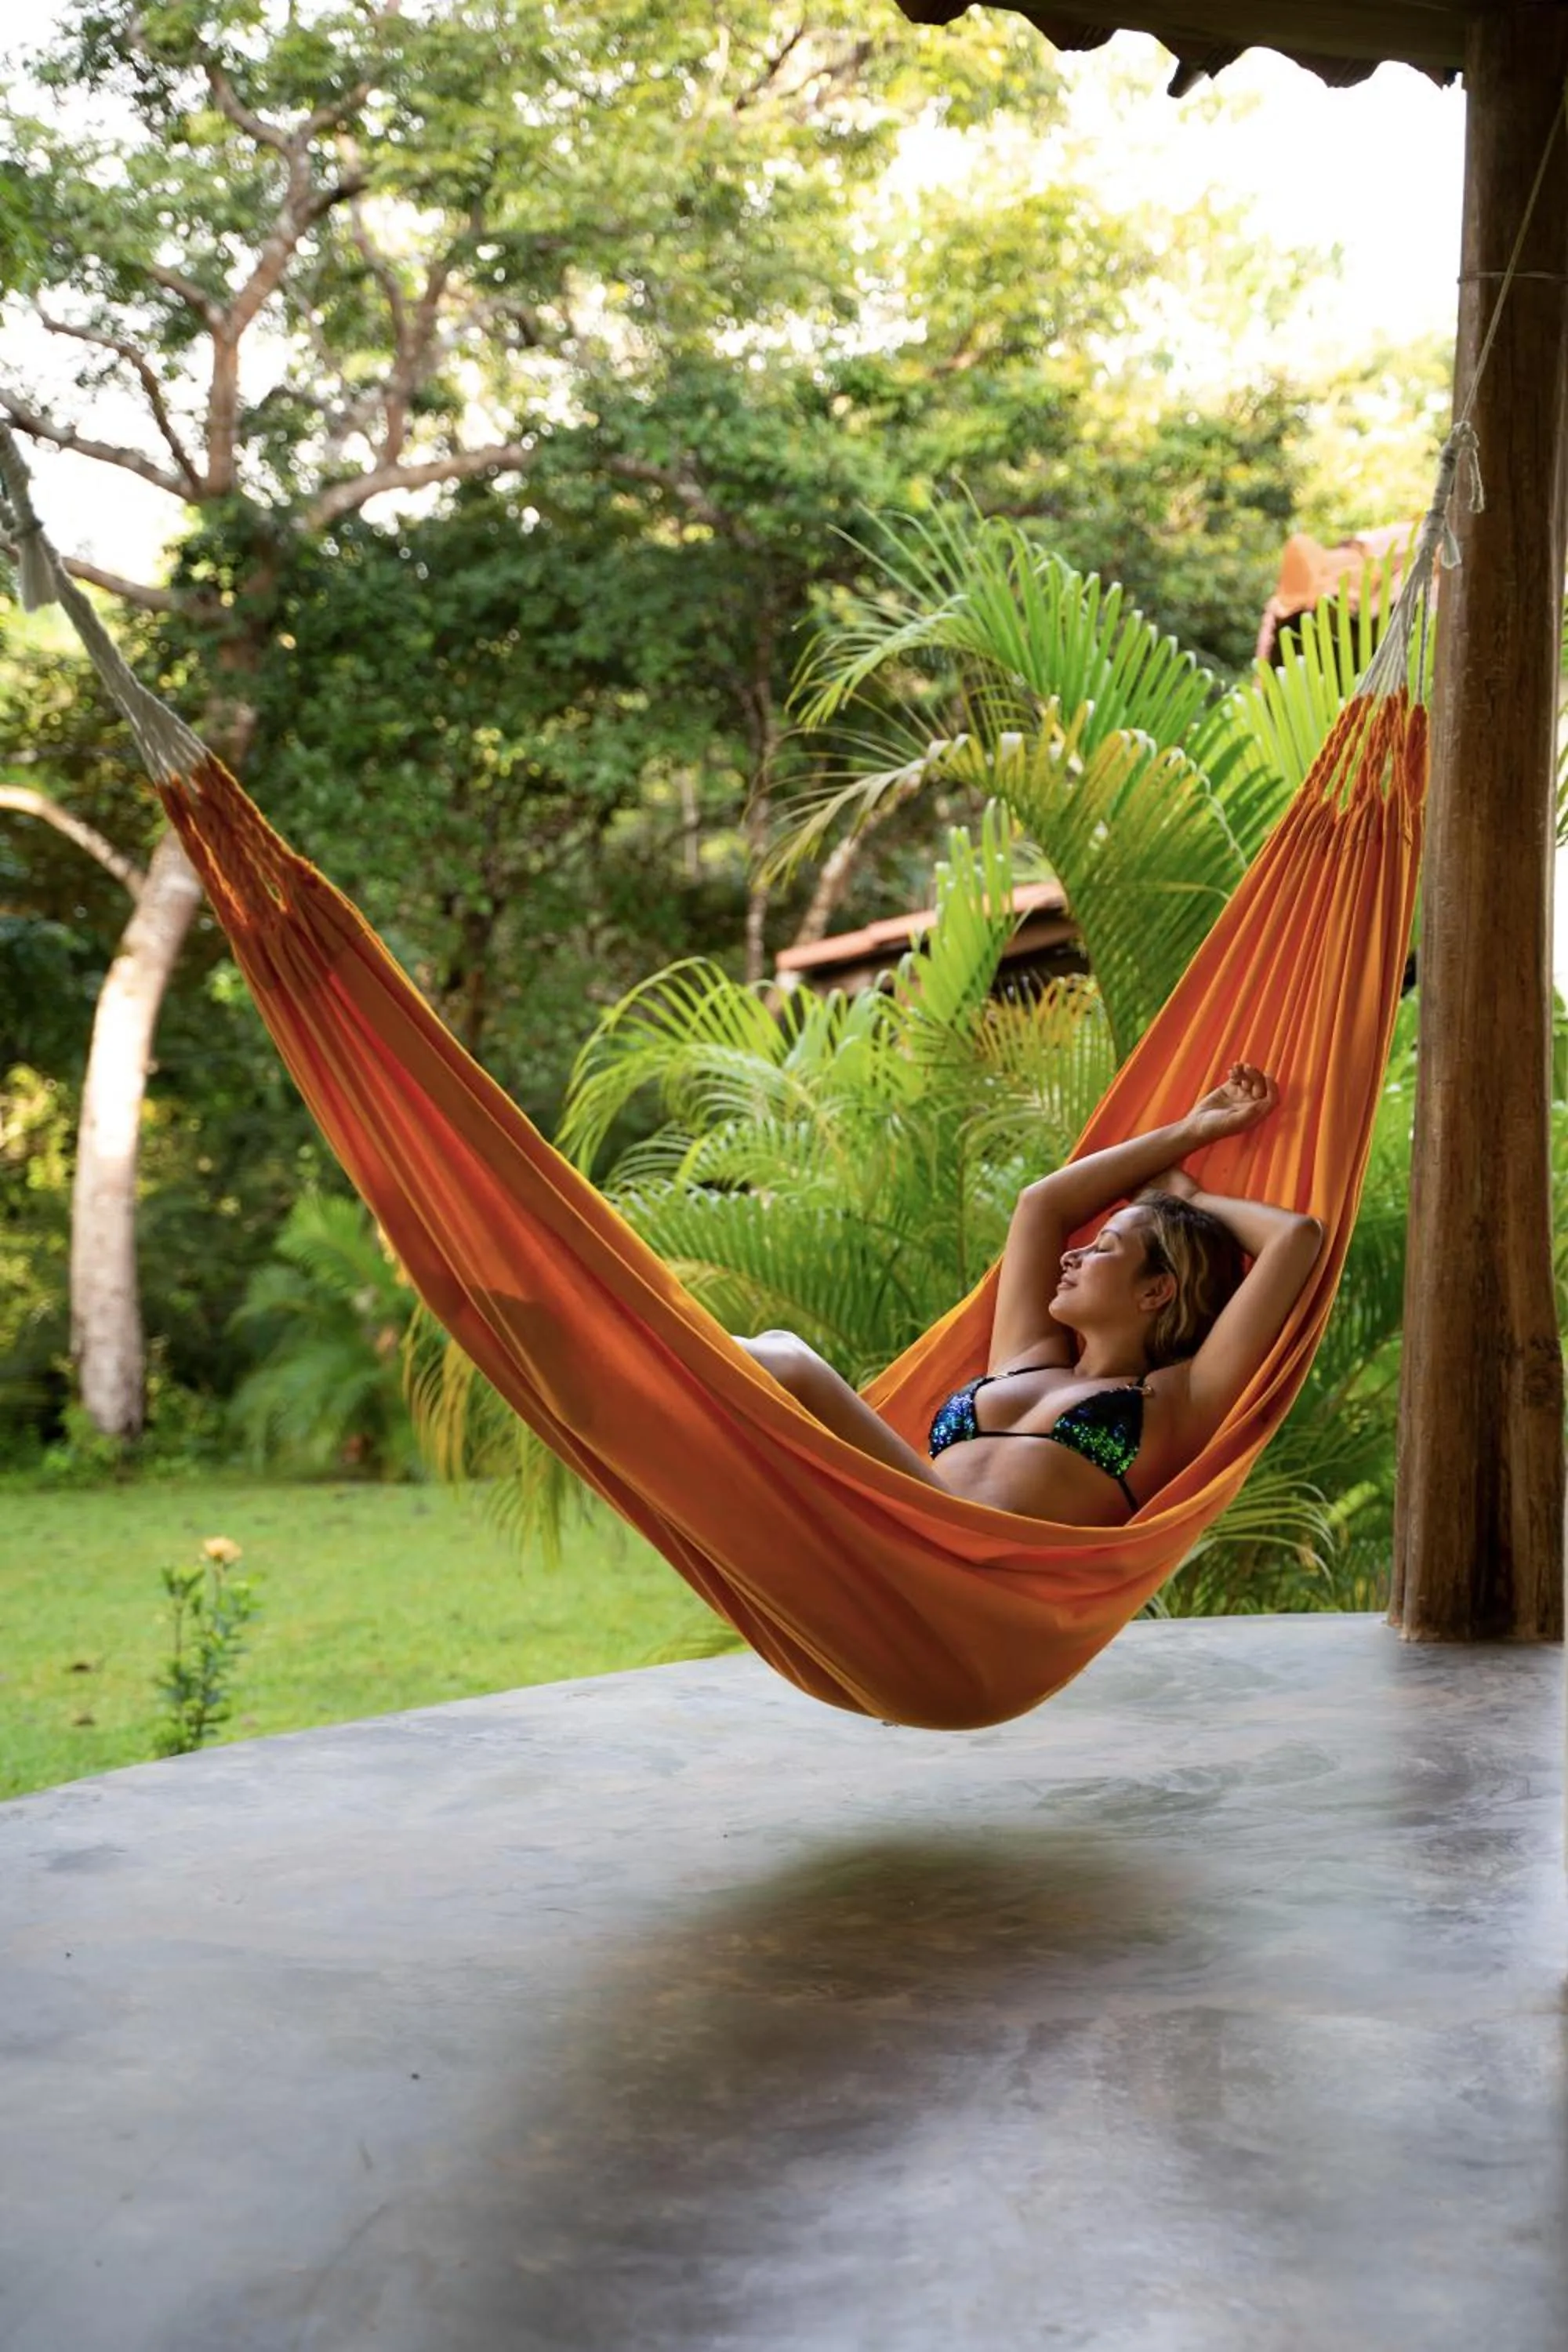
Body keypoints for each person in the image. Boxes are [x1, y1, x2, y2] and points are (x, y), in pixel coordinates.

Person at [736, 1062, 1324, 1525]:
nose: (1074, 1254)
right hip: (896, 1533)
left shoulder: (1183, 1396)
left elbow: (1294, 1238)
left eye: (1104, 1248)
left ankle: (647, 1342)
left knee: (789, 1361)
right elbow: (1043, 1204)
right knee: (768, 1382)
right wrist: (1191, 1132)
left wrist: (1188, 1204)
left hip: (979, 1581)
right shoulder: (1027, 1358)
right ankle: (642, 1355)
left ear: (1157, 1291)